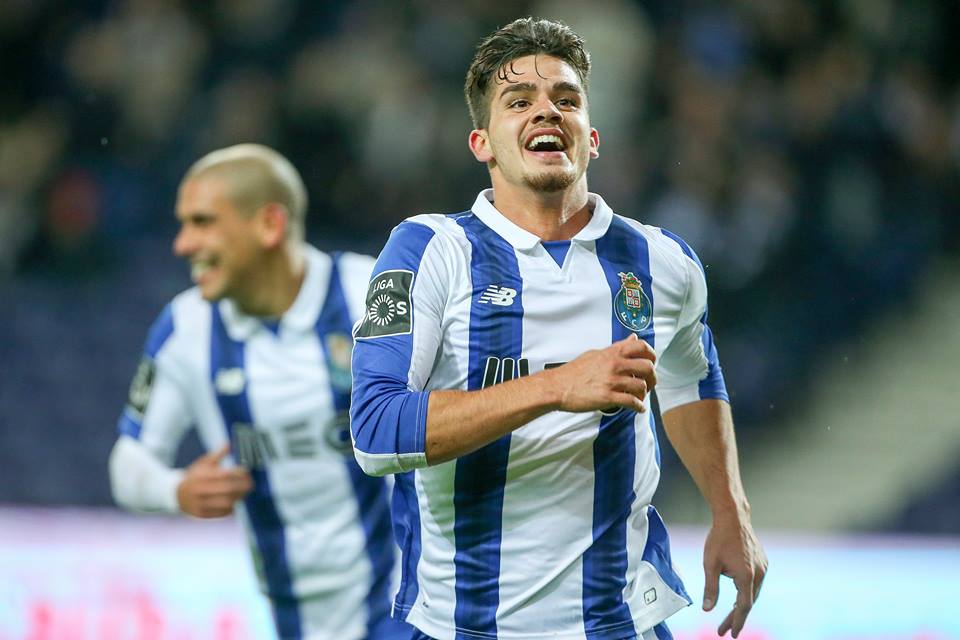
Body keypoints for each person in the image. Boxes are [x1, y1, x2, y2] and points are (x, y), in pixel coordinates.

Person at [350, 17, 767, 640]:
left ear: (591, 138)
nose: (546, 111)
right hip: (463, 624)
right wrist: (556, 386)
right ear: (482, 143)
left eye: (566, 100)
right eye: (519, 102)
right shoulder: (429, 251)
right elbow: (376, 433)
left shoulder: (662, 261)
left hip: (620, 621)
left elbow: (691, 377)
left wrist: (730, 510)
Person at [108, 144, 411, 640]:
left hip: (409, 607)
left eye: (203, 222)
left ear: (270, 225)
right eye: (183, 224)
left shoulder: (370, 294)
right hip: (293, 621)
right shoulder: (187, 328)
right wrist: (175, 490)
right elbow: (128, 463)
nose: (182, 244)